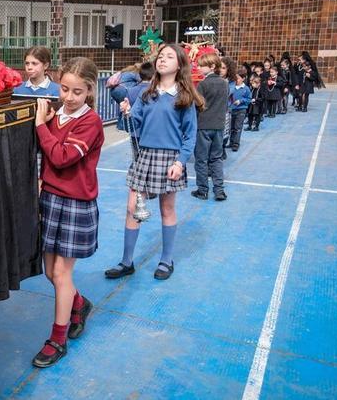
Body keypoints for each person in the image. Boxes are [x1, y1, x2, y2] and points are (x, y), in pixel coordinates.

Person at [104, 44, 203, 282]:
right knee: (132, 209)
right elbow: (134, 125)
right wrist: (127, 112)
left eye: (169, 56)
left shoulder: (185, 97)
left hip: (170, 159)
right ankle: (127, 262)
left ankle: (166, 260)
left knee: (166, 209)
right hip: (144, 157)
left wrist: (180, 163)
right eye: (161, 56)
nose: (163, 60)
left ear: (179, 64)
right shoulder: (147, 93)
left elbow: (190, 136)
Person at [30, 57, 104, 368]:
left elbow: (60, 158)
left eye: (77, 92)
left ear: (89, 90)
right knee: (50, 272)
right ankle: (79, 303)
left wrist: (40, 126)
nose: (69, 98)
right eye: (64, 89)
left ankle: (57, 339)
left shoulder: (91, 122)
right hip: (50, 199)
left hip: (76, 203)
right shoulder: (55, 115)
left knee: (62, 274)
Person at [191, 53, 229, 201]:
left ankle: (202, 190)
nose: (199, 68)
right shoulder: (224, 83)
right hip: (218, 125)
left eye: (201, 65)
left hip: (203, 125)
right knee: (216, 158)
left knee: (201, 159)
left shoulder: (203, 84)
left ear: (212, 66)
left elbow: (197, 104)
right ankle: (219, 190)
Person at [228, 68, 252, 151]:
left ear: (243, 78)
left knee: (238, 127)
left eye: (238, 78)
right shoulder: (231, 87)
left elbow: (249, 99)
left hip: (241, 110)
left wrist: (241, 101)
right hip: (231, 110)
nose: (236, 80)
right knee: (231, 127)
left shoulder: (246, 89)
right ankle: (231, 142)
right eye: (235, 78)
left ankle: (236, 144)